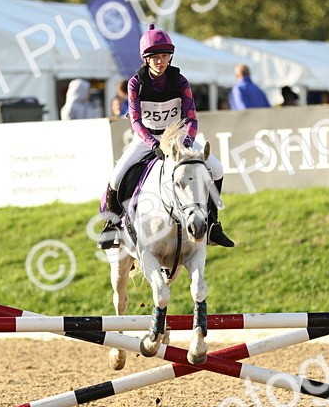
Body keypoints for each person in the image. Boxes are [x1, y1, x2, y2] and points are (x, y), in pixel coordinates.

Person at [97, 24, 234, 249]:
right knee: (116, 176)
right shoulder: (135, 84)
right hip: (146, 139)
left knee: (217, 168)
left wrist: (187, 141)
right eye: (155, 57)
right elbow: (135, 121)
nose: (161, 61)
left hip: (178, 137)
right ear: (146, 59)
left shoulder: (180, 82)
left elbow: (191, 117)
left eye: (165, 56)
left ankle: (212, 223)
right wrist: (152, 144)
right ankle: (111, 227)